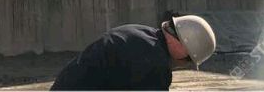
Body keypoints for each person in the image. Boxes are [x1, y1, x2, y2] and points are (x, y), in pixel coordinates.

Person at [51, 14, 217, 90]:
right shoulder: (154, 63)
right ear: (182, 45)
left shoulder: (141, 33)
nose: (181, 65)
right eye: (188, 60)